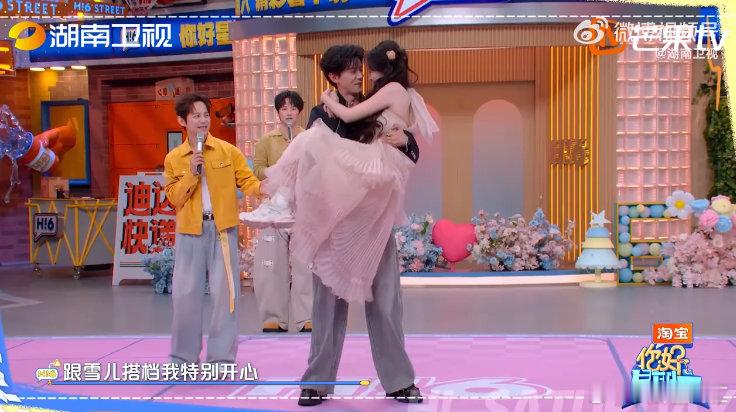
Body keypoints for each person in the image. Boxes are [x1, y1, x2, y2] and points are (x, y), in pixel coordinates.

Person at [243, 41, 438, 406]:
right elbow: (314, 165)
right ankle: (317, 382)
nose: (358, 74)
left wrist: (405, 140)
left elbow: (407, 148)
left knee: (386, 303)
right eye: (351, 69)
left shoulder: (373, 102)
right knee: (327, 307)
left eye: (360, 68)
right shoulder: (321, 114)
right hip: (334, 223)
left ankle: (399, 381)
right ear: (333, 76)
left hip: (374, 221)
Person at [164, 93, 261, 365]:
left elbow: (249, 182)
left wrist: (266, 188)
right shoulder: (174, 158)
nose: (203, 120)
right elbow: (175, 198)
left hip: (223, 231)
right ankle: (182, 359)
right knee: (185, 297)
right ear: (182, 121)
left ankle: (221, 359)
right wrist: (192, 172)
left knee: (226, 296)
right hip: (189, 232)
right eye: (196, 115)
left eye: (205, 115)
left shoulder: (227, 151)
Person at [252, 90, 313, 333]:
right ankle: (274, 317)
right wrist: (277, 171)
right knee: (272, 264)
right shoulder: (267, 141)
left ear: (300, 112)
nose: (289, 112)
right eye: (284, 108)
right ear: (278, 112)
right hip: (275, 208)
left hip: (303, 208)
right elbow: (257, 170)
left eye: (293, 108)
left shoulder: (308, 139)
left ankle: (306, 317)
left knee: (305, 265)